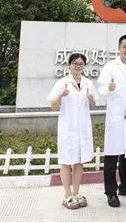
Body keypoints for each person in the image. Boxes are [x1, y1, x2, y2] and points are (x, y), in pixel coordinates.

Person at [98, 35, 126, 208]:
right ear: (119, 48)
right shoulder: (110, 67)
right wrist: (108, 89)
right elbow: (101, 90)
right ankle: (111, 192)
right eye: (125, 46)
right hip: (116, 118)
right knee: (111, 156)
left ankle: (125, 186)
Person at [47, 52, 97, 210]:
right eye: (75, 63)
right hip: (68, 128)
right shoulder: (62, 83)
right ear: (69, 65)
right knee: (66, 161)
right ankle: (67, 195)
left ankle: (76, 193)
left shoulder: (88, 83)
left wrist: (91, 100)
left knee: (79, 161)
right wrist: (61, 95)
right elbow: (53, 106)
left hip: (82, 128)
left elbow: (93, 106)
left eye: (81, 63)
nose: (78, 66)